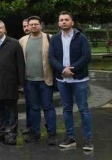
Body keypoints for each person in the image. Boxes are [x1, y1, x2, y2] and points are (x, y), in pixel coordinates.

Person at [49, 11, 93, 152]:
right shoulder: (55, 39)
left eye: (66, 19)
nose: (64, 22)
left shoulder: (81, 38)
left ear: (72, 22)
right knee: (66, 109)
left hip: (79, 79)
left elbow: (86, 56)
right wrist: (63, 69)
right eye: (61, 20)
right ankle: (70, 137)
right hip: (62, 79)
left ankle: (88, 139)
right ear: (58, 23)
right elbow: (51, 57)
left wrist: (71, 69)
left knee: (83, 109)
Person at [19, 16, 57, 145]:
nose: (33, 26)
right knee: (33, 108)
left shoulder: (50, 38)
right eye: (31, 25)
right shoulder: (22, 41)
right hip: (29, 81)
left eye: (36, 24)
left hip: (45, 80)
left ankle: (52, 133)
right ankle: (35, 133)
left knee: (48, 107)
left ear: (41, 25)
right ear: (28, 26)